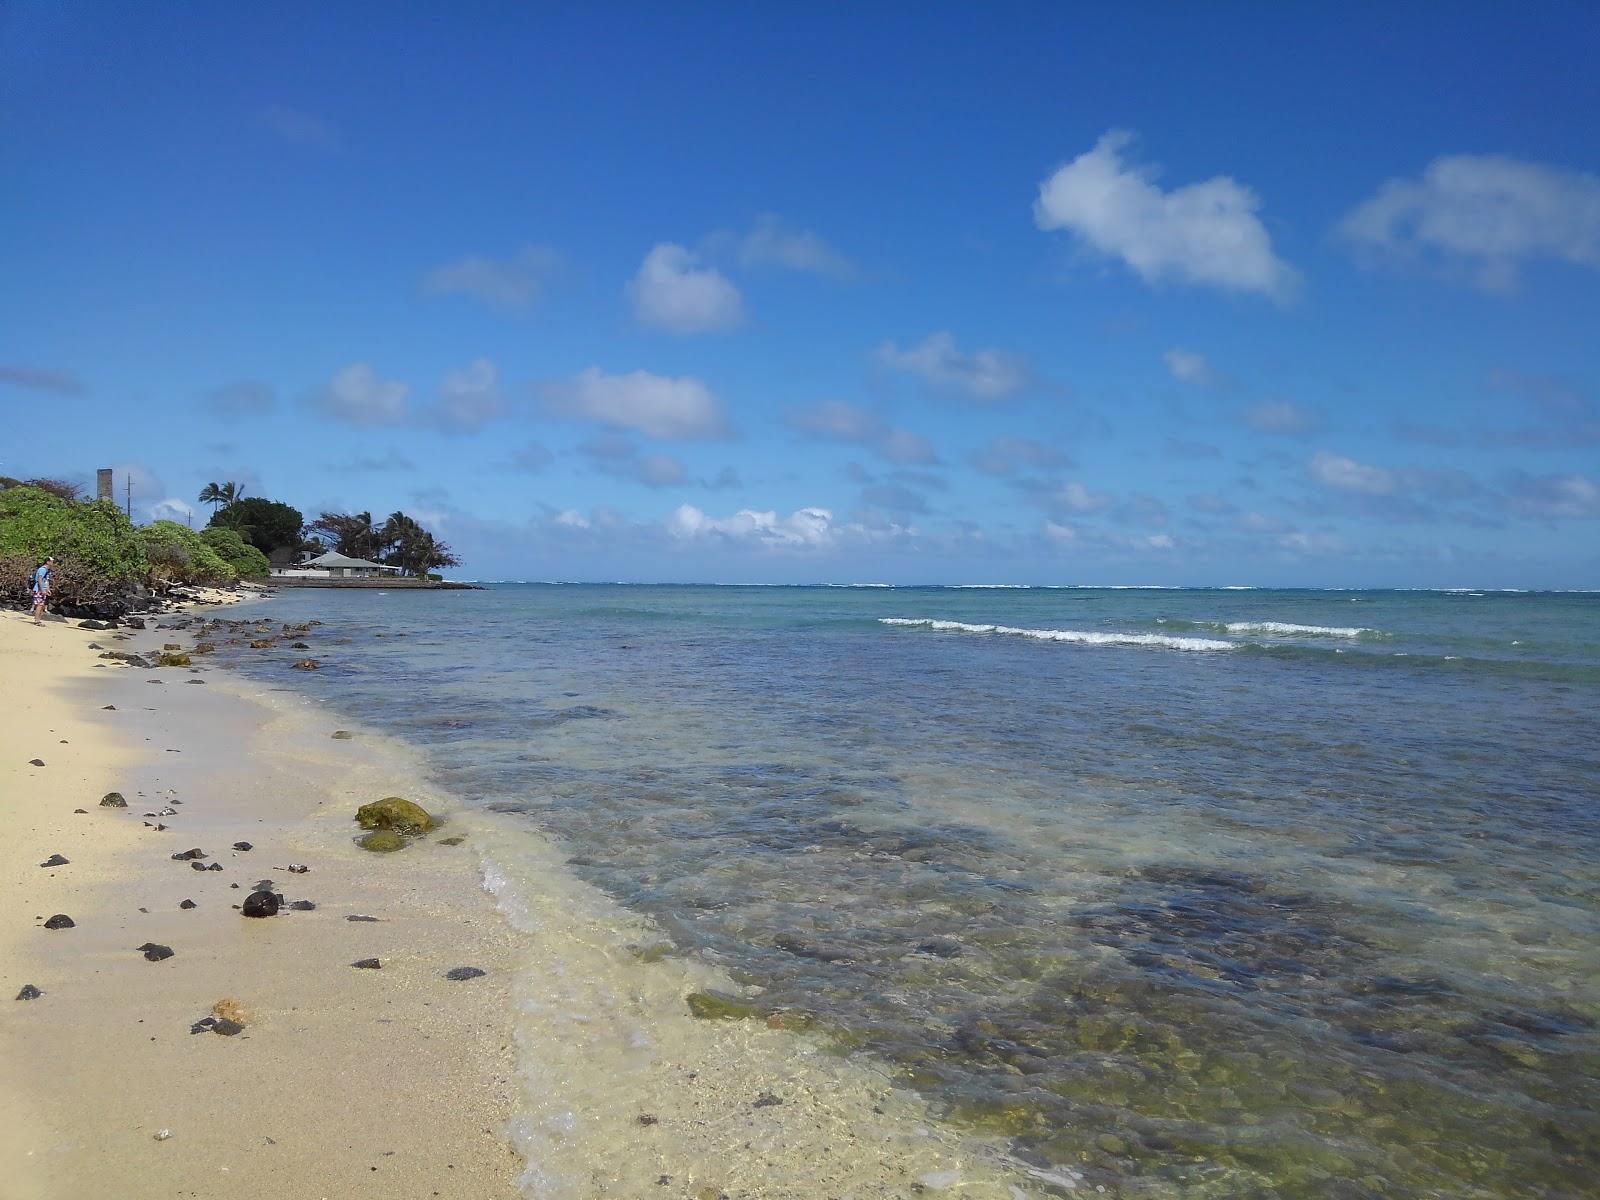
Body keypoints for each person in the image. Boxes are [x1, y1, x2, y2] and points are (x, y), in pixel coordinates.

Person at [29, 555, 55, 625]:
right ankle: (37, 621)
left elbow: (46, 581)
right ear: (47, 562)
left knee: (41, 605)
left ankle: (38, 620)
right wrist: (42, 590)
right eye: (51, 561)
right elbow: (39, 579)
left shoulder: (46, 570)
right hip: (38, 590)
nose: (52, 563)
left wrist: (48, 589)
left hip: (42, 590)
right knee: (39, 605)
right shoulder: (42, 569)